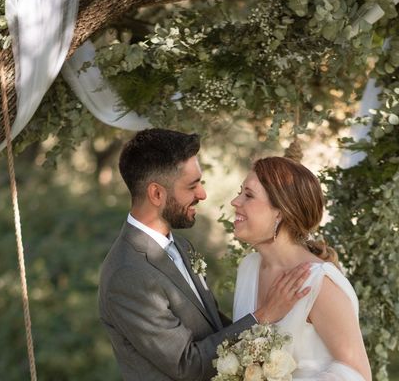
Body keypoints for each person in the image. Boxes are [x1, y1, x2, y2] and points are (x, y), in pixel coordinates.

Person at [98, 129, 312, 381]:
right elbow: (188, 364)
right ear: (156, 194)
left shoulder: (181, 246)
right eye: (192, 186)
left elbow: (212, 329)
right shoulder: (128, 274)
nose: (202, 194)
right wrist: (264, 315)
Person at [231, 156, 373, 381]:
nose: (235, 202)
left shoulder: (320, 283)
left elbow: (358, 374)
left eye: (248, 195)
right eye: (240, 192)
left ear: (280, 212)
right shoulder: (249, 267)